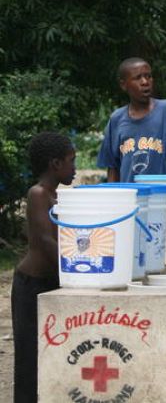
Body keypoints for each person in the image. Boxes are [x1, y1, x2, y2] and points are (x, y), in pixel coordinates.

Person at [12, 132, 76, 403]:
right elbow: (46, 242)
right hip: (30, 285)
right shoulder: (38, 193)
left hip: (49, 283)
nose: (75, 168)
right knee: (29, 356)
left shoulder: (57, 196)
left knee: (51, 351)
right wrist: (75, 271)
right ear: (55, 164)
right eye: (71, 161)